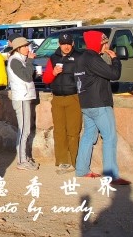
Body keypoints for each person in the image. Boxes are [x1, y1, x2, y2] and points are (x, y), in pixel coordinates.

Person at [75, 30, 130, 185]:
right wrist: (115, 59)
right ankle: (111, 175)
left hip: (86, 104)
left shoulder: (81, 58)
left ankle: (81, 169)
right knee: (110, 137)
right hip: (100, 104)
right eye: (104, 42)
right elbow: (114, 74)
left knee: (88, 136)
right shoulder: (93, 58)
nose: (107, 45)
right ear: (98, 43)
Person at [41, 33, 82, 174]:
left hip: (73, 97)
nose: (66, 46)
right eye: (63, 43)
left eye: (68, 43)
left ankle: (76, 160)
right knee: (59, 131)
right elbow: (46, 80)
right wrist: (53, 72)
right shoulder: (53, 58)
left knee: (73, 130)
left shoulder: (79, 57)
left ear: (73, 44)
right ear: (59, 44)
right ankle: (63, 161)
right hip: (57, 98)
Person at [6, 36, 38, 171]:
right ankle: (21, 160)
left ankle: (24, 157)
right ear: (18, 48)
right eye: (25, 46)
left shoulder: (20, 60)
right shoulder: (15, 61)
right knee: (24, 129)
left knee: (25, 129)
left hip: (24, 96)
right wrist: (30, 61)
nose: (27, 48)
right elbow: (26, 76)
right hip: (21, 98)